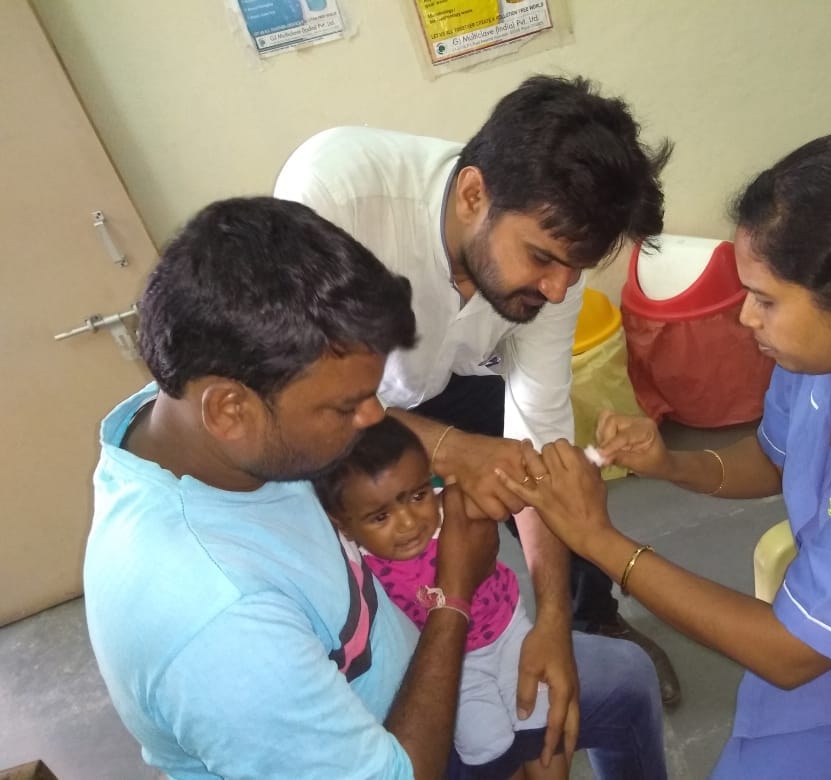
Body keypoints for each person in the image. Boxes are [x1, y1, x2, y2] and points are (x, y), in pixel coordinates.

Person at [497, 118, 831, 778]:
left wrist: (599, 539)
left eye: (764, 300)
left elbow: (789, 651)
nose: (744, 317)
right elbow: (776, 457)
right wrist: (672, 463)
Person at [84, 196, 666, 780]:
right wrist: (453, 593)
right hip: (398, 750)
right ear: (230, 411)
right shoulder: (219, 624)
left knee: (625, 681)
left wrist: (453, 467)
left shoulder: (185, 418)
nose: (374, 420)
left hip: (415, 663)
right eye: (345, 406)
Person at [272, 73, 682, 707]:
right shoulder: (337, 194)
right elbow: (300, 396)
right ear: (472, 194)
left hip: (451, 375)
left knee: (557, 476)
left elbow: (537, 433)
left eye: (575, 269)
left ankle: (587, 620)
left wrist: (550, 623)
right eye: (543, 258)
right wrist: (450, 449)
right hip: (336, 394)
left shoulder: (554, 277)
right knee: (363, 539)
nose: (557, 289)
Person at [314, 416, 567, 779]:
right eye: (381, 516)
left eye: (417, 496)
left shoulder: (454, 509)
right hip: (454, 664)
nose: (408, 522)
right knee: (488, 750)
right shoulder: (357, 562)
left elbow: (527, 494)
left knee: (542, 725)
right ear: (343, 524)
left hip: (511, 634)